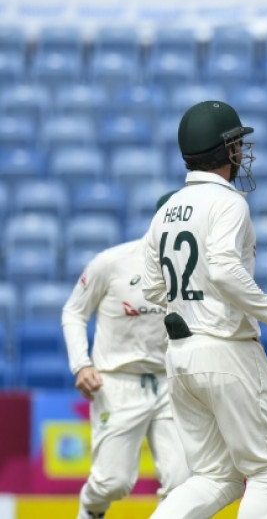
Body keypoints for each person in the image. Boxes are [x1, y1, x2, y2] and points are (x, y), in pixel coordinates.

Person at [143, 100, 267, 519]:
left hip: (181, 355)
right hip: (225, 347)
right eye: (236, 143)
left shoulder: (167, 209)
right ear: (222, 149)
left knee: (215, 477)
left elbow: (153, 287)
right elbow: (225, 271)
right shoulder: (229, 203)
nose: (241, 151)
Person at [62, 192, 189, 519]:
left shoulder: (193, 270)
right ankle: (91, 508)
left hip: (172, 382)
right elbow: (74, 312)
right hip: (118, 382)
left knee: (183, 483)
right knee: (113, 483)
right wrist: (81, 365)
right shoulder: (111, 262)